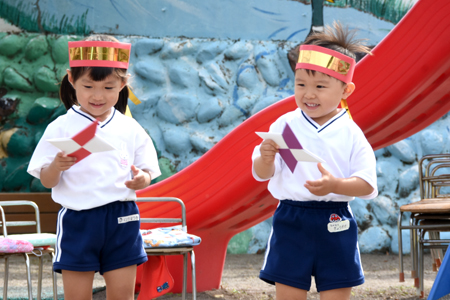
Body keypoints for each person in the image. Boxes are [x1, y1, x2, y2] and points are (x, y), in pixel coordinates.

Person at [27, 35, 161, 300]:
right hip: (79, 220)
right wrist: (56, 165)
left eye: (109, 87)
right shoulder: (60, 127)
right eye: (88, 86)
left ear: (123, 84)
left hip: (123, 219)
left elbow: (148, 173)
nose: (98, 96)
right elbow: (46, 180)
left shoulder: (130, 128)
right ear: (71, 79)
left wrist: (141, 179)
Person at [252, 22, 378, 300]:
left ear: (346, 90)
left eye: (320, 86)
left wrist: (337, 184)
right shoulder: (285, 124)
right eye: (301, 84)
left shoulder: (351, 132)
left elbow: (367, 184)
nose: (309, 93)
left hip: (335, 220)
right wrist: (265, 156)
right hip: (291, 219)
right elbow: (262, 174)